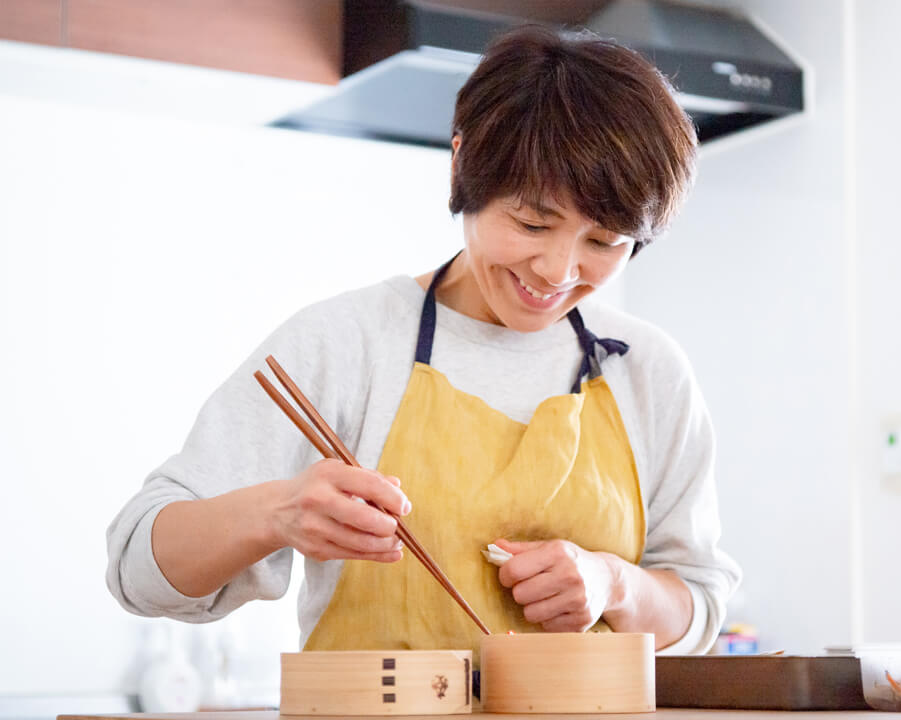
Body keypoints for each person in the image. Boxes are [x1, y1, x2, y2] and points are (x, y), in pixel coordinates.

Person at [106, 24, 741, 657]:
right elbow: (138, 568)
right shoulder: (348, 343)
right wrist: (277, 512)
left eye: (604, 242)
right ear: (463, 160)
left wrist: (616, 584)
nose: (559, 269)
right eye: (531, 222)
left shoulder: (649, 369)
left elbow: (700, 606)